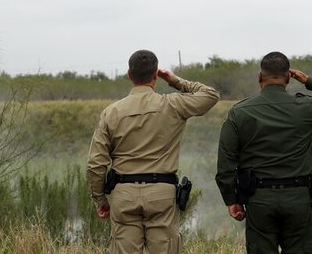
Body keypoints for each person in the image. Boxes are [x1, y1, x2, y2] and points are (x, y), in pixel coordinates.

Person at [216, 51, 312, 253]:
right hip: (297, 198)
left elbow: (226, 161)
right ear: (288, 78)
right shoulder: (304, 106)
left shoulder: (240, 112)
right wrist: (309, 82)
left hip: (259, 199)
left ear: (260, 78)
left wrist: (231, 199)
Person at [87, 49, 219, 254]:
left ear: (129, 75)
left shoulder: (111, 112)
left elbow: (96, 163)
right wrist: (176, 81)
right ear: (156, 75)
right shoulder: (173, 104)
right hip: (162, 194)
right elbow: (210, 95)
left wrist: (100, 200)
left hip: (124, 194)